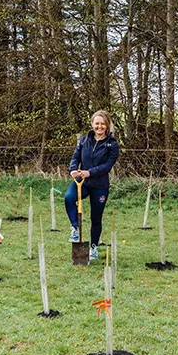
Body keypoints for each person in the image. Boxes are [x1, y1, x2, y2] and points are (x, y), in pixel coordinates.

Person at [66, 110, 120, 260]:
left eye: (103, 124)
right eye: (97, 123)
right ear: (92, 124)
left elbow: (107, 166)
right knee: (69, 198)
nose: (99, 126)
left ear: (107, 126)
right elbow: (75, 157)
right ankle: (75, 228)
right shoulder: (84, 140)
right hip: (82, 182)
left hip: (100, 185)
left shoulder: (112, 145)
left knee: (96, 218)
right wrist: (72, 170)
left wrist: (89, 172)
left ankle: (93, 247)